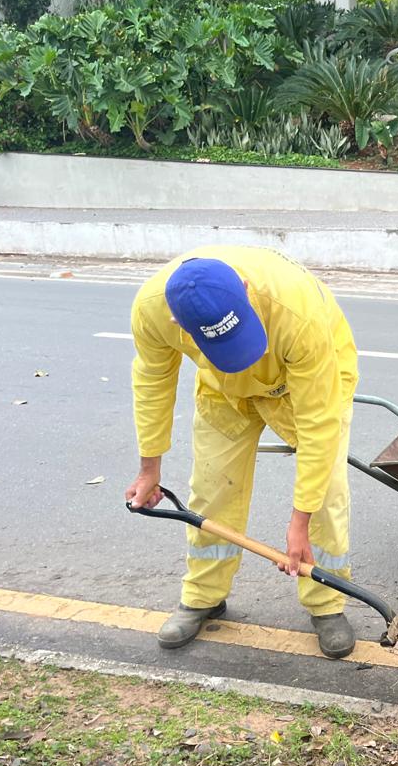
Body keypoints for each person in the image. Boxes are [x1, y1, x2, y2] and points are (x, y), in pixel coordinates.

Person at [125, 246, 360, 658]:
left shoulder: (297, 312)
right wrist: (149, 468)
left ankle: (326, 601)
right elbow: (153, 383)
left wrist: (299, 520)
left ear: (247, 289)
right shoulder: (151, 310)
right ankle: (203, 596)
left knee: (325, 493)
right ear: (180, 324)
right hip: (223, 391)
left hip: (301, 383)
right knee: (212, 490)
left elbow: (318, 424)